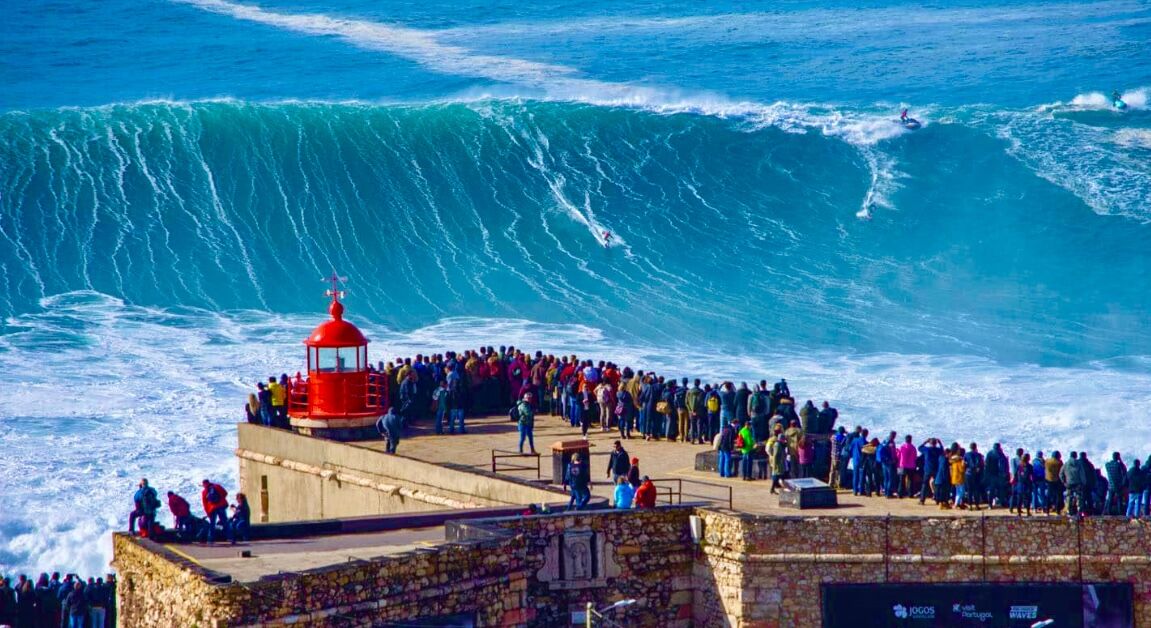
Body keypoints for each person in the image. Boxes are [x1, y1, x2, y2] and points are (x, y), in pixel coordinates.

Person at [201, 479, 230, 544]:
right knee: (225, 522)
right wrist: (220, 500)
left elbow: (205, 504)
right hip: (221, 506)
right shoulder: (217, 486)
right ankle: (230, 538)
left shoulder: (204, 492)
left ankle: (211, 540)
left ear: (203, 485)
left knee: (212, 524)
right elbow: (225, 493)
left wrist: (208, 513)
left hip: (212, 508)